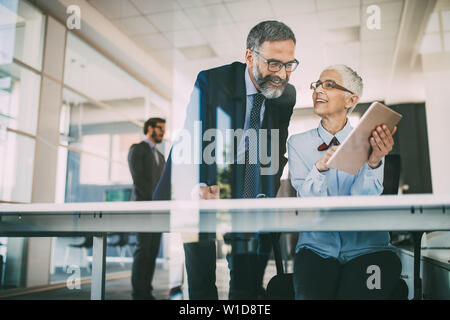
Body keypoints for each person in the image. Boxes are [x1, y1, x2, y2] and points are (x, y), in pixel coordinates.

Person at [153, 20, 298, 299]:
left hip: (250, 177)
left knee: (247, 283)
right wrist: (199, 185)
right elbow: (192, 137)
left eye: (289, 64)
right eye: (274, 63)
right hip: (205, 172)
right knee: (201, 280)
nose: (282, 73)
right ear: (249, 56)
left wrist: (266, 191)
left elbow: (277, 145)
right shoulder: (213, 81)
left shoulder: (286, 95)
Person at [287, 65, 403, 299]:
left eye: (328, 84)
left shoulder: (372, 139)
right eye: (317, 84)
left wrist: (374, 161)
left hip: (370, 251)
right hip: (316, 250)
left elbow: (362, 201)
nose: (318, 89)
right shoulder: (297, 143)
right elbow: (308, 204)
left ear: (352, 99)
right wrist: (319, 169)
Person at [128, 117, 166, 300]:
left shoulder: (160, 156)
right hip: (143, 209)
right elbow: (139, 180)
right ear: (149, 128)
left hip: (158, 212)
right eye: (159, 128)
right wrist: (153, 202)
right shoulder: (138, 149)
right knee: (143, 250)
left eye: (164, 129)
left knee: (152, 251)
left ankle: (146, 291)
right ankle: (138, 293)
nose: (162, 132)